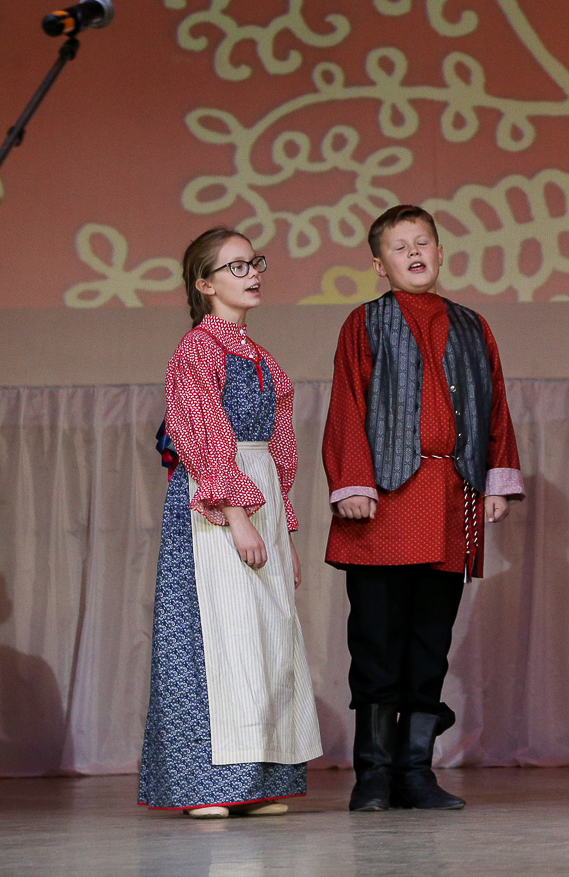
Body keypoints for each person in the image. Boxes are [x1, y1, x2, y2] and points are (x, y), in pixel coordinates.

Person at [322, 205, 523, 812]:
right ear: (378, 265)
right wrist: (353, 483)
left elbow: (495, 405)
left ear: (440, 253)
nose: (414, 253)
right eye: (399, 246)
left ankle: (415, 773)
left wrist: (494, 480)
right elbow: (348, 404)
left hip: (449, 499)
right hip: (383, 503)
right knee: (377, 641)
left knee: (429, 641)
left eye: (423, 243)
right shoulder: (365, 322)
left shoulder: (471, 325)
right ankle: (373, 776)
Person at [139, 227, 322, 817]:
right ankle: (206, 786)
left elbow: (278, 450)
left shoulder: (260, 356)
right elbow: (203, 436)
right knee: (215, 634)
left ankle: (255, 781)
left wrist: (281, 530)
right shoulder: (198, 349)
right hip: (216, 505)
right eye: (237, 266)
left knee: (263, 637)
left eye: (254, 263)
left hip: (257, 497)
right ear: (205, 283)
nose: (253, 274)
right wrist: (237, 516)